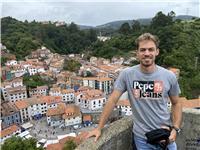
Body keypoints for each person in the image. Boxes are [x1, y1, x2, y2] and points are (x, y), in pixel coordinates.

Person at [87, 33, 182, 150]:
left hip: (166, 136)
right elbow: (112, 100)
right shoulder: (127, 74)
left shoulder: (169, 76)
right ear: (137, 53)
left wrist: (176, 129)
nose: (147, 53)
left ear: (157, 51)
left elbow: (176, 103)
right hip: (142, 140)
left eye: (151, 49)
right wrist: (99, 127)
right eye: (142, 50)